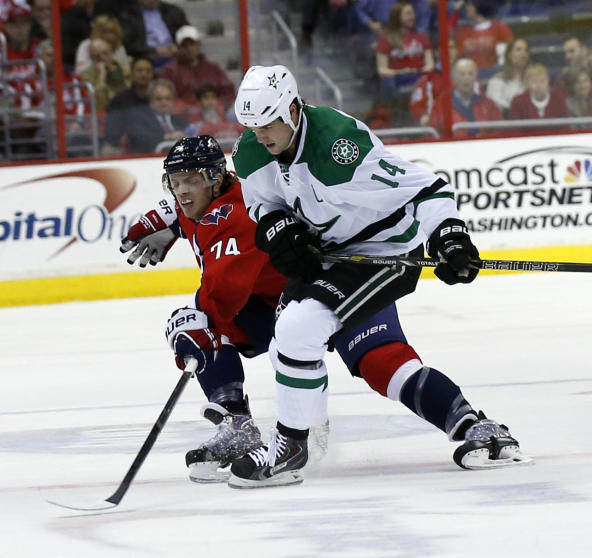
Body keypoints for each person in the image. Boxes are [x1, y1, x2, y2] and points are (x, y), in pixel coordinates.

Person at [120, 135, 530, 484]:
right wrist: (171, 218)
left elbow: (221, 291)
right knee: (200, 321)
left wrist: (200, 331)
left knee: (382, 365)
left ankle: (475, 425)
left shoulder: (234, 218)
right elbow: (186, 209)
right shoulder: (201, 198)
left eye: (192, 179)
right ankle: (238, 427)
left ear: (214, 177)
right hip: (282, 302)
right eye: (175, 182)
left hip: (331, 286)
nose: (183, 191)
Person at [224, 65, 528, 487]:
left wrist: (449, 235)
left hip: (382, 252)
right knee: (308, 349)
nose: (262, 135)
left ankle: (290, 444)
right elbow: (263, 204)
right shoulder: (252, 150)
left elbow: (426, 189)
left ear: (293, 108)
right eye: (252, 126)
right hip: (329, 256)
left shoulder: (338, 147)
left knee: (300, 328)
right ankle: (470, 425)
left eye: (269, 123)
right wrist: (279, 228)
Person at [158, 25, 237, 112]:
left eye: (192, 44)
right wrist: (188, 109)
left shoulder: (213, 68)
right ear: (178, 47)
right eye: (184, 45)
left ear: (199, 44)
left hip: (214, 116)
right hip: (183, 119)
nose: (188, 48)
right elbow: (166, 98)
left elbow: (229, 91)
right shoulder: (169, 71)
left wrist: (218, 106)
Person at [105, 76, 187, 154]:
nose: (164, 102)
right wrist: (168, 137)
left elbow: (193, 134)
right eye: (159, 99)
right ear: (150, 101)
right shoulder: (137, 118)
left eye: (167, 98)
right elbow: (141, 138)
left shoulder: (181, 120)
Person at [426, 58, 503, 137]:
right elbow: (433, 136)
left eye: (470, 73)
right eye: (462, 74)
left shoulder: (489, 105)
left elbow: (499, 133)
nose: (467, 78)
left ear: (476, 78)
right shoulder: (441, 107)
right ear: (453, 79)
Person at [375, 1, 434, 94]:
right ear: (397, 17)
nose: (413, 17)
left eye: (413, 13)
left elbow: (430, 65)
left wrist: (416, 71)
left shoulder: (423, 38)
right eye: (408, 14)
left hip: (419, 79)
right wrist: (402, 72)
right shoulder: (385, 40)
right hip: (397, 82)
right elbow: (382, 70)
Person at [118, 0, 189, 66]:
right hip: (146, 57)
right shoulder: (129, 15)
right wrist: (154, 50)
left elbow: (188, 33)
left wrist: (178, 47)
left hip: (175, 54)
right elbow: (130, 45)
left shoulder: (173, 11)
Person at [455, 0, 513, 69]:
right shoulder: (463, 32)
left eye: (469, 5)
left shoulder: (500, 28)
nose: (466, 8)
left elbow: (510, 55)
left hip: (494, 73)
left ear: (479, 5)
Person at [78, 37, 130, 111]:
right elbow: (98, 105)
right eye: (97, 56)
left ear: (112, 52)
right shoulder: (86, 78)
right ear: (91, 57)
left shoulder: (127, 72)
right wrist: (101, 77)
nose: (102, 57)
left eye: (105, 53)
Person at [485, 37, 530, 113]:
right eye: (518, 50)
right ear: (509, 54)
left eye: (526, 50)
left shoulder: (533, 80)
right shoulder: (496, 80)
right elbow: (493, 104)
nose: (523, 54)